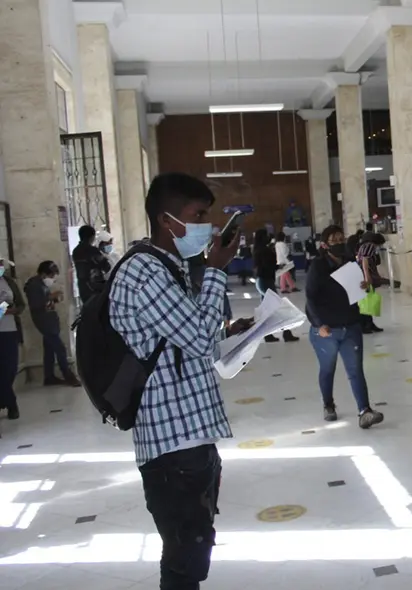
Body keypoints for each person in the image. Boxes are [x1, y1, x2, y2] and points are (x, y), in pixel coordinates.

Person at [109, 172, 253, 589]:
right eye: (198, 215)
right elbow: (195, 337)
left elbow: (190, 337)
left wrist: (231, 330)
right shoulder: (144, 272)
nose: (206, 226)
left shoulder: (168, 268)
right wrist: (215, 270)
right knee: (184, 559)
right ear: (167, 219)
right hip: (172, 443)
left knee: (192, 551)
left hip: (189, 435)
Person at [306, 224, 385, 428]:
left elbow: (360, 286)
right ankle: (328, 404)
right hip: (326, 329)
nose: (340, 243)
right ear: (325, 245)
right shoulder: (318, 266)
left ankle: (365, 411)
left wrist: (365, 285)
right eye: (335, 240)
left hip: (350, 325)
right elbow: (310, 298)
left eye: (342, 239)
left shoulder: (351, 262)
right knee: (328, 369)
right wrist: (318, 324)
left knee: (356, 370)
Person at [23, 261, 81, 388]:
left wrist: (52, 299)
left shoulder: (40, 284)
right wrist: (51, 297)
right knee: (60, 348)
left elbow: (44, 303)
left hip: (48, 321)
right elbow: (37, 305)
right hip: (44, 322)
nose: (53, 278)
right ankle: (68, 375)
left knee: (49, 349)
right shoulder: (34, 285)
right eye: (52, 275)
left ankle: (49, 377)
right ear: (44, 273)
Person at [254, 229, 299, 344]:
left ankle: (267, 334)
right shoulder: (265, 250)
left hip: (261, 281)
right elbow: (269, 266)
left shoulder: (257, 249)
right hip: (266, 281)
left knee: (267, 310)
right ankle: (286, 333)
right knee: (279, 308)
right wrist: (278, 266)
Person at [0, 257, 24, 420]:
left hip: (9, 330)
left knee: (9, 370)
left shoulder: (8, 281)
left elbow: (21, 304)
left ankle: (6, 399)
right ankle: (11, 403)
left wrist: (11, 310)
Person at [72, 225, 111, 303]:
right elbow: (106, 267)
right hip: (95, 287)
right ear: (92, 237)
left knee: (88, 311)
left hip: (83, 287)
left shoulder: (76, 251)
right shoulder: (92, 251)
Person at [357, 232, 387, 334]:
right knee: (366, 301)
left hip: (362, 274)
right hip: (365, 276)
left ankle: (369, 323)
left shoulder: (363, 246)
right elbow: (365, 261)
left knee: (366, 300)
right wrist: (367, 277)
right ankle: (365, 325)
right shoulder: (370, 246)